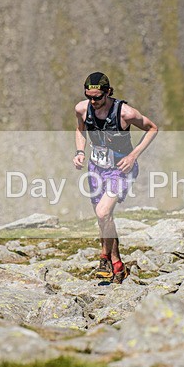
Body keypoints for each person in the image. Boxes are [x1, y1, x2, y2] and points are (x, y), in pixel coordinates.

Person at [73, 72, 158, 284]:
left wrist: (133, 155)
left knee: (103, 212)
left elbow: (152, 129)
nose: (93, 102)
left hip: (120, 168)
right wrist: (80, 152)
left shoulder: (125, 113)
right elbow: (80, 129)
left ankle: (103, 258)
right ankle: (118, 265)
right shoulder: (82, 109)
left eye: (98, 97)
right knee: (104, 219)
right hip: (96, 168)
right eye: (89, 97)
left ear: (108, 92)